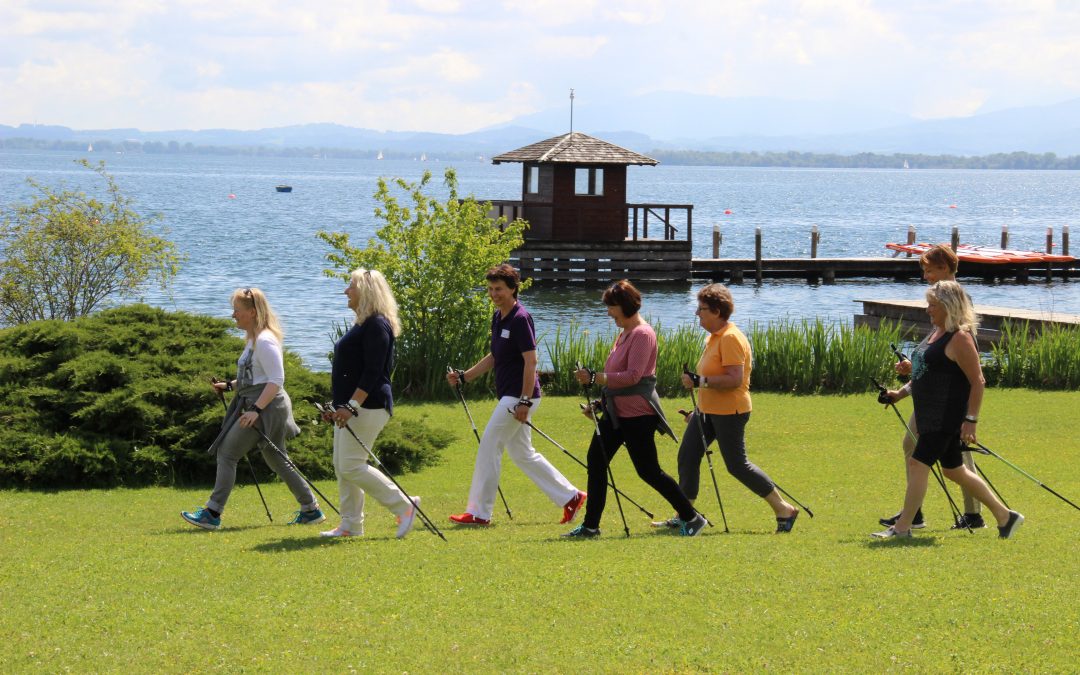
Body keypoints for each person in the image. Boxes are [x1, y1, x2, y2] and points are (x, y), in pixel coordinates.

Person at [874, 281, 1023, 539]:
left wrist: (971, 420)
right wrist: (898, 394)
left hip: (945, 416)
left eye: (933, 305)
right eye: (928, 304)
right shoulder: (937, 333)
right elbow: (925, 375)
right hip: (929, 414)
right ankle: (1006, 517)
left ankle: (902, 528)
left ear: (949, 306)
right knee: (954, 470)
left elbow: (978, 381)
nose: (928, 309)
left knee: (918, 463)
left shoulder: (961, 338)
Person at [446, 264, 585, 526]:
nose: (493, 293)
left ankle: (479, 513)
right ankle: (571, 496)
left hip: (519, 397)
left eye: (498, 289)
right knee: (523, 454)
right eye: (490, 289)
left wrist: (523, 400)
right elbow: (495, 356)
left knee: (489, 446)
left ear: (512, 289)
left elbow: (531, 362)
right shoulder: (499, 316)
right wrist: (466, 376)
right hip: (511, 396)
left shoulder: (521, 318)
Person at [566, 280, 705, 538]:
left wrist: (596, 378)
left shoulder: (643, 334)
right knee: (596, 461)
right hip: (616, 414)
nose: (609, 313)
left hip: (638, 415)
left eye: (612, 307)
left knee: (648, 471)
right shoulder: (624, 334)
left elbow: (633, 376)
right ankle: (590, 526)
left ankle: (692, 517)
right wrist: (598, 403)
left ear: (626, 306)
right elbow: (617, 378)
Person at [182, 287, 324, 530]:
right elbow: (255, 377)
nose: (233, 315)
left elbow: (276, 380)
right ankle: (311, 509)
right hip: (258, 402)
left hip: (266, 406)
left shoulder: (265, 341)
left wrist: (256, 410)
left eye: (237, 310)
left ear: (253, 312)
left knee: (227, 453)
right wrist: (229, 386)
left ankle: (212, 513)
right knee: (277, 459)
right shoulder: (253, 340)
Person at [668, 283, 800, 533]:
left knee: (737, 465)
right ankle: (684, 514)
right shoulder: (713, 337)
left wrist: (699, 381)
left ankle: (783, 508)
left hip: (731, 411)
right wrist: (698, 395)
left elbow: (734, 379)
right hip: (706, 411)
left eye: (702, 309)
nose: (698, 313)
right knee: (687, 457)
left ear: (717, 311)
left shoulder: (730, 338)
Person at [882, 244, 984, 530]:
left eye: (929, 270)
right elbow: (938, 348)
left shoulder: (955, 300)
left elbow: (962, 354)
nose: (925, 276)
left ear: (945, 269)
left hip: (948, 397)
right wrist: (915, 368)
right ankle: (914, 514)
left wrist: (970, 417)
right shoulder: (938, 299)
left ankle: (974, 514)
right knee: (916, 447)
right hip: (932, 393)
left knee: (958, 457)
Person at [318, 269, 420, 539]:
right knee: (343, 466)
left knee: (351, 465)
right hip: (352, 406)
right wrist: (339, 405)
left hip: (368, 406)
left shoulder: (377, 324)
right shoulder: (363, 323)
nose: (346, 291)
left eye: (350, 286)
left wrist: (351, 406)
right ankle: (350, 525)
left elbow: (373, 371)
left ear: (365, 291)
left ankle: (404, 506)